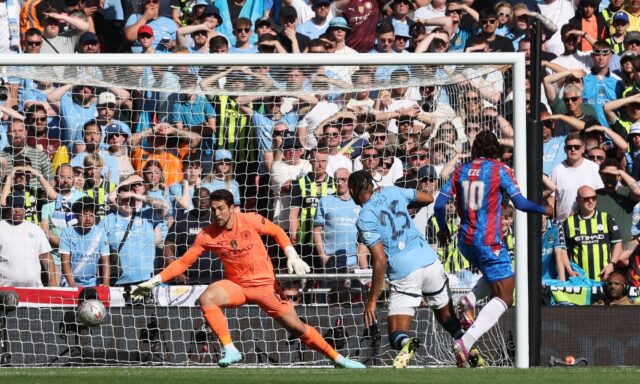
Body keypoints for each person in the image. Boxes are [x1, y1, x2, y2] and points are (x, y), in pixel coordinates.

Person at [131, 189, 365, 369]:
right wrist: (153, 282)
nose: (217, 214)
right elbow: (183, 262)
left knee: (298, 328)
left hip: (266, 287)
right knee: (207, 298)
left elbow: (277, 231)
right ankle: (230, 349)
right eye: (213, 209)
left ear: (232, 208)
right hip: (238, 286)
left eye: (221, 208)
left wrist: (291, 254)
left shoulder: (250, 219)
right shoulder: (207, 234)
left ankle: (338, 359)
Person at [433, 131, 552, 367]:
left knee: (498, 278)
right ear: (496, 149)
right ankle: (465, 341)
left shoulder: (461, 170)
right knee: (506, 295)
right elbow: (520, 203)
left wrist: (443, 228)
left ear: (475, 149)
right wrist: (545, 210)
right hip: (488, 241)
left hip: (465, 242)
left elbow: (439, 204)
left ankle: (470, 298)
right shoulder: (500, 170)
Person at [348, 170, 474, 369]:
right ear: (372, 185)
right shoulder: (392, 191)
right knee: (447, 317)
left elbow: (380, 260)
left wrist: (372, 300)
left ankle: (408, 343)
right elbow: (428, 197)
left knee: (397, 333)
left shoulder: (364, 217)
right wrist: (404, 204)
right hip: (431, 262)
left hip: (405, 272)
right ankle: (468, 347)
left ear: (352, 190)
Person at [562, 185, 622, 282]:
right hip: (580, 279)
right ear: (578, 200)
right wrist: (570, 271)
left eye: (594, 197)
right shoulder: (569, 222)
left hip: (604, 277)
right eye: (586, 198)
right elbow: (563, 251)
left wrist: (612, 264)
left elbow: (618, 243)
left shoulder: (606, 218)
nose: (591, 201)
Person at [0, 195, 57, 287]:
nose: (17, 210)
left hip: (34, 290)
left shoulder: (35, 229)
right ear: (7, 209)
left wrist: (53, 283)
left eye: (21, 207)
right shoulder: (1, 227)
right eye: (14, 206)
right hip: (6, 290)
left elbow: (46, 257)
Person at [59, 197, 110, 287]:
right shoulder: (67, 232)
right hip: (70, 283)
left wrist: (105, 285)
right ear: (77, 215)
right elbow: (65, 262)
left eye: (91, 215)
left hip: (93, 283)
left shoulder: (100, 233)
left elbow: (105, 260)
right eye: (84, 214)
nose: (88, 219)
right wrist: (72, 285)